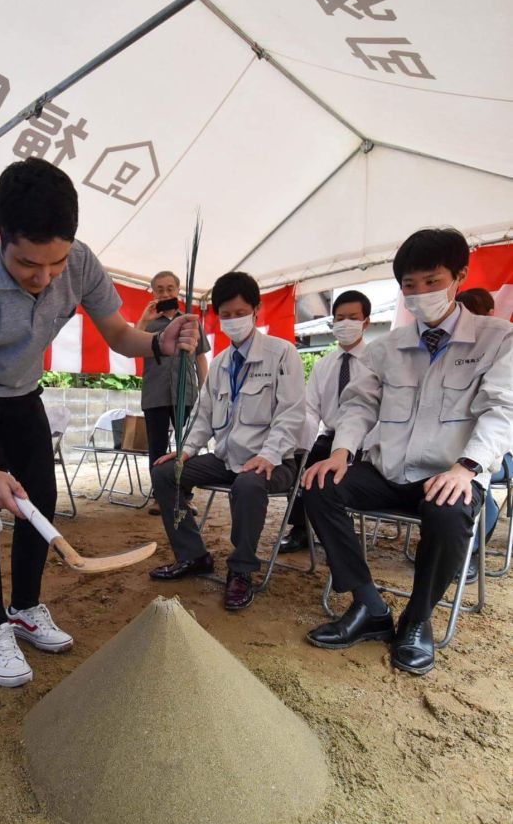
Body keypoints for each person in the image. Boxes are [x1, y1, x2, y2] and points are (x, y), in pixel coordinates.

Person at [0, 157, 198, 688]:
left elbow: (121, 335)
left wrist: (157, 344)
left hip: (25, 395)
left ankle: (26, 608)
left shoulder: (79, 263)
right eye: (30, 264)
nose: (45, 277)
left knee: (40, 504)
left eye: (56, 263)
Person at [302, 228, 513, 676]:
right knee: (320, 485)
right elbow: (360, 404)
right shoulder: (389, 346)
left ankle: (417, 620)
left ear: (459, 276)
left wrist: (468, 468)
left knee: (449, 510)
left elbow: (503, 410)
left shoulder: (497, 339)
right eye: (409, 285)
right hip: (388, 470)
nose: (419, 294)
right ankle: (368, 605)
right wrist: (341, 452)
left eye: (431, 281)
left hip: (449, 472)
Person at [148, 270, 305, 611]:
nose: (233, 320)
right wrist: (185, 451)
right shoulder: (220, 363)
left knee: (248, 485)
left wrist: (269, 454)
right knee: (164, 473)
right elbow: (203, 415)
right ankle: (193, 556)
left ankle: (241, 570)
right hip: (227, 457)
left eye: (240, 313)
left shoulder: (282, 353)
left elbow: (292, 413)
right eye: (226, 315)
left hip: (273, 461)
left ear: (256, 310)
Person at [279, 289, 372, 554]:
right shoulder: (324, 365)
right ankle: (300, 528)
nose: (345, 324)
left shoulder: (378, 361)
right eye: (339, 318)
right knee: (303, 463)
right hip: (330, 438)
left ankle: (341, 525)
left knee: (344, 477)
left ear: (365, 322)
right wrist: (300, 444)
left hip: (367, 440)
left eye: (352, 317)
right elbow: (310, 409)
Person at [137, 269, 209, 513]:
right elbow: (133, 347)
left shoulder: (191, 321)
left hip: (186, 393)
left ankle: (185, 497)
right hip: (155, 393)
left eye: (170, 288)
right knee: (157, 447)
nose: (165, 292)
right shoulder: (148, 324)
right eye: (160, 289)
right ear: (153, 292)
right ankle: (161, 498)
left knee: (185, 446)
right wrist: (145, 321)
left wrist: (204, 390)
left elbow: (200, 358)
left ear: (178, 291)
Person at [455, 285, 509, 580]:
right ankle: (447, 545)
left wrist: (474, 459)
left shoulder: (504, 346)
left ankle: (472, 553)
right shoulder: (453, 354)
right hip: (455, 448)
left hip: (499, 451)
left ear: (492, 315)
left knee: (477, 484)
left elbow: (502, 416)